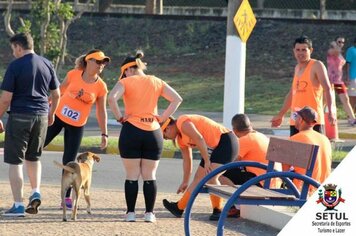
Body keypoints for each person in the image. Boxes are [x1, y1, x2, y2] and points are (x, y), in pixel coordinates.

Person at [108, 50, 182, 223]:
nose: (124, 75)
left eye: (124, 72)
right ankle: (149, 213)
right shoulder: (156, 81)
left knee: (132, 174)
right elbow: (177, 99)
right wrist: (163, 118)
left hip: (131, 130)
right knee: (150, 175)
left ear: (128, 70)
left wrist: (120, 117)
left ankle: (131, 213)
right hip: (153, 132)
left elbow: (112, 98)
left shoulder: (126, 81)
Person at [0, 33, 60, 217]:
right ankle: (35, 191)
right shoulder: (47, 64)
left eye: (13, 49)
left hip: (20, 115)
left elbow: (6, 99)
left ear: (18, 47)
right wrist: (52, 113)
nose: (13, 53)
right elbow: (56, 94)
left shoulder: (15, 66)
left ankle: (18, 205)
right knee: (33, 158)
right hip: (41, 115)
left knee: (15, 161)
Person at [44, 49, 110, 209]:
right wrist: (47, 104)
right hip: (58, 117)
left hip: (77, 125)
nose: (101, 65)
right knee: (36, 146)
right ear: (88, 61)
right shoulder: (74, 74)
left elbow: (101, 111)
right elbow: (59, 91)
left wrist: (104, 133)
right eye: (98, 61)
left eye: (104, 62)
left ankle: (65, 198)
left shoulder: (101, 87)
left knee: (69, 161)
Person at [161, 114, 238, 221]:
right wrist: (185, 181)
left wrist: (207, 160)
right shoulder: (180, 139)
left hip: (226, 141)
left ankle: (218, 210)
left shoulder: (182, 122)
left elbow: (199, 138)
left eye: (164, 136)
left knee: (211, 176)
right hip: (213, 148)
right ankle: (179, 208)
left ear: (167, 129)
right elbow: (187, 160)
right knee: (198, 178)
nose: (166, 139)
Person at [271, 35, 336, 136]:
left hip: (312, 121)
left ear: (311, 50)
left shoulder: (317, 65)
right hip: (296, 121)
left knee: (314, 151)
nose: (300, 53)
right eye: (298, 50)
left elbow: (327, 89)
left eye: (304, 50)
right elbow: (292, 94)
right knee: (295, 151)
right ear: (294, 51)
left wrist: (331, 111)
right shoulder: (297, 68)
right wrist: (281, 115)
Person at [219, 114, 280, 217]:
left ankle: (236, 204)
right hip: (272, 180)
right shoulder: (260, 136)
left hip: (262, 182)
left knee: (220, 172)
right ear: (250, 125)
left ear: (234, 130)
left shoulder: (245, 140)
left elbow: (230, 161)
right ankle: (236, 204)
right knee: (230, 171)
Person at [286, 106, 332, 195]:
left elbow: (285, 171)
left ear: (300, 120)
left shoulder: (295, 138)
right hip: (324, 188)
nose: (294, 119)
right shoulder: (325, 139)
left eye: (296, 117)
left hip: (303, 188)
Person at [327, 40, 356, 125]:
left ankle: (353, 119)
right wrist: (334, 44)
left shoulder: (340, 54)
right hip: (330, 81)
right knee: (328, 101)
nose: (341, 44)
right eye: (339, 42)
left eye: (343, 42)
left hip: (338, 81)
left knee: (346, 99)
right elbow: (337, 50)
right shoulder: (331, 51)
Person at [345, 37, 356, 112]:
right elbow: (347, 64)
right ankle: (350, 116)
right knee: (352, 96)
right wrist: (348, 77)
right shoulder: (351, 50)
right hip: (353, 78)